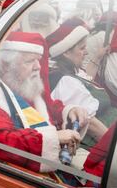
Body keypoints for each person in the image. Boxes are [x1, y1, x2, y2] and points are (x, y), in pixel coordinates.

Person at [0, 31, 90, 173]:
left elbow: (45, 106)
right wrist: (54, 137)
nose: (38, 67)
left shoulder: (19, 83)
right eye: (29, 61)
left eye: (38, 60)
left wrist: (68, 111)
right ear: (6, 65)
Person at [47, 18, 117, 148]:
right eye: (82, 48)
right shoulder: (65, 81)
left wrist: (97, 57)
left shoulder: (70, 73)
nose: (86, 52)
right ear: (67, 52)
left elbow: (86, 80)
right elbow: (91, 124)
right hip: (103, 142)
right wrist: (114, 149)